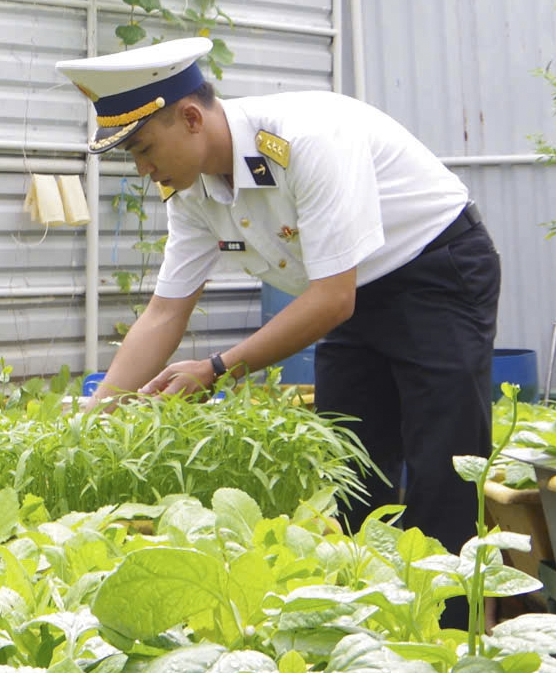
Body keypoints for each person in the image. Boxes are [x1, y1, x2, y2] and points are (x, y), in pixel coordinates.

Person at [55, 36, 500, 565]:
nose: (143, 170)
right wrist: (96, 415)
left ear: (192, 119)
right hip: (353, 291)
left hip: (434, 273)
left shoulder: (307, 140)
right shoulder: (192, 188)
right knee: (351, 465)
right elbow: (166, 311)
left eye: (145, 149)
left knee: (442, 467)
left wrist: (217, 369)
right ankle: (375, 620)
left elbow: (332, 299)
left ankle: (446, 631)